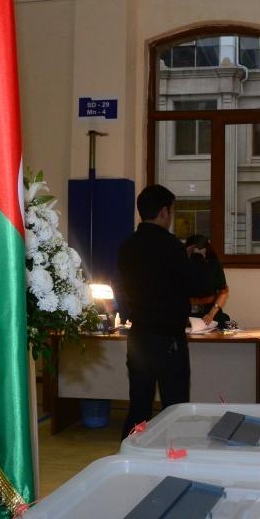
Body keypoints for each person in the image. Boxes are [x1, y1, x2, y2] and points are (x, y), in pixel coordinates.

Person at [117, 185, 195, 439]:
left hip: (138, 336)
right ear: (163, 212)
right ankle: (172, 453)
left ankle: (129, 451)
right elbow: (193, 285)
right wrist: (191, 261)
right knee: (175, 407)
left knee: (139, 405)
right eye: (171, 211)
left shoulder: (127, 246)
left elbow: (121, 288)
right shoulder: (171, 246)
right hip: (168, 337)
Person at [184, 234, 230, 328]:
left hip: (210, 312)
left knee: (223, 322)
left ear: (206, 250)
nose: (196, 254)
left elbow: (223, 292)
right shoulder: (181, 265)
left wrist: (211, 314)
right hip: (185, 312)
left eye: (199, 249)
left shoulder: (213, 265)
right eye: (193, 250)